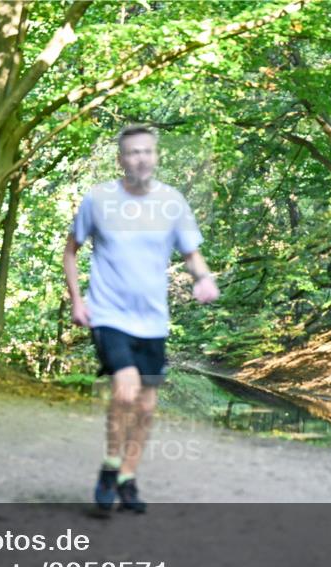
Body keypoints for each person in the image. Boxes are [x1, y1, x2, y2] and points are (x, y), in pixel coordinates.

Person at [63, 125, 220, 513]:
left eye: (147, 151)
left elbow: (191, 253)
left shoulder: (172, 202)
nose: (141, 158)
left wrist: (203, 278)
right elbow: (71, 251)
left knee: (147, 408)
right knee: (125, 389)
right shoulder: (98, 200)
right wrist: (76, 300)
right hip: (108, 314)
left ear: (156, 156)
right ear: (121, 160)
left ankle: (128, 476)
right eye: (132, 152)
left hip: (152, 322)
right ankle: (110, 466)